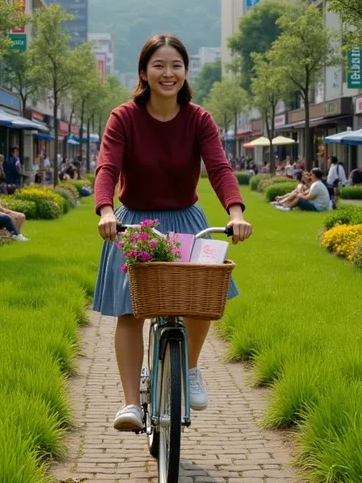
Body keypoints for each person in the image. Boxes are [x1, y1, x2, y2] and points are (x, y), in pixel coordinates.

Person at [94, 34, 253, 432]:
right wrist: (105, 210)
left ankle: (192, 368)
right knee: (130, 312)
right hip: (135, 225)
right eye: (159, 65)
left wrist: (235, 213)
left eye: (176, 66)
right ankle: (131, 404)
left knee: (203, 296)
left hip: (187, 221)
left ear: (185, 71)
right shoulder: (124, 117)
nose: (168, 73)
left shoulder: (198, 118)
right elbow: (107, 167)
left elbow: (218, 168)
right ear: (144, 72)